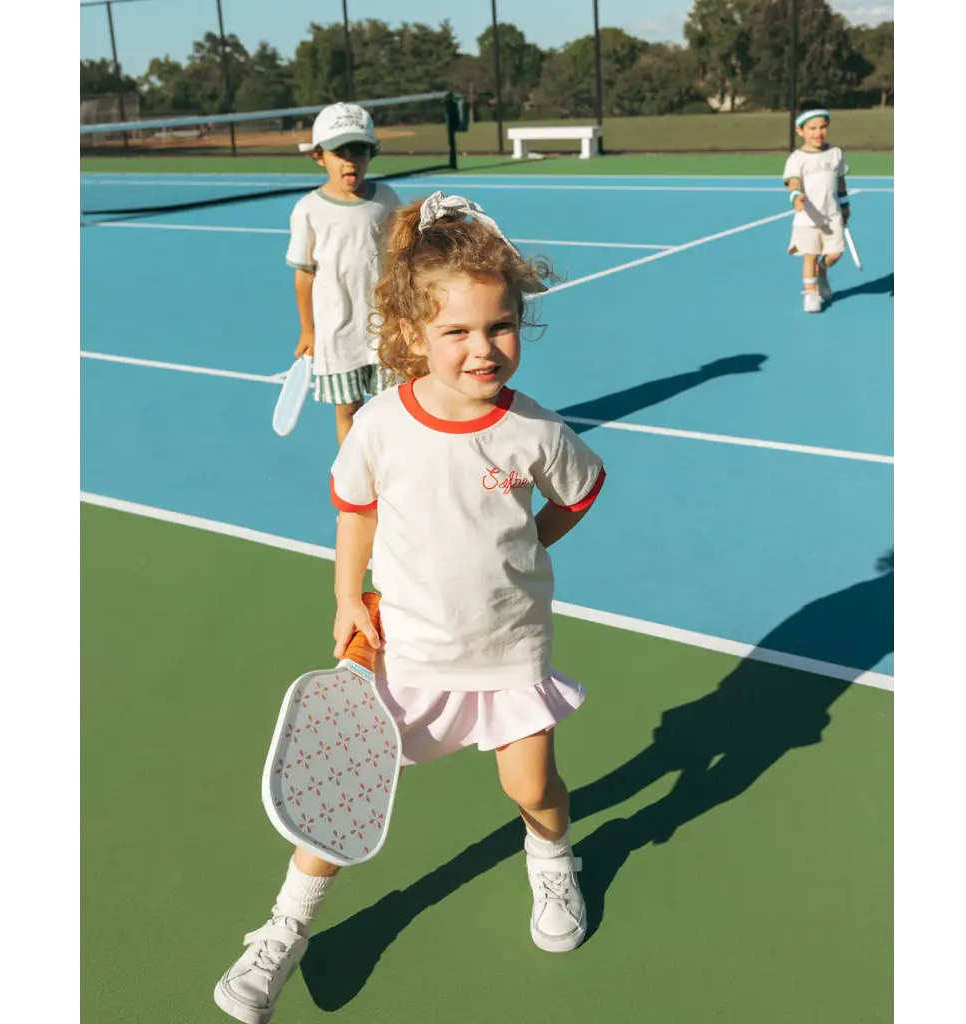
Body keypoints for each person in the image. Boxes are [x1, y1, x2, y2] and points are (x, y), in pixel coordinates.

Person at [214, 192, 606, 1023]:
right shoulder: (384, 425)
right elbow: (354, 507)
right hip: (403, 648)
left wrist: (532, 540)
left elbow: (581, 491)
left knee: (532, 787)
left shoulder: (534, 431)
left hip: (508, 649)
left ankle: (552, 859)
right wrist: (346, 593)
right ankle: (284, 930)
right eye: (456, 332)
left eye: (499, 327)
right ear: (411, 336)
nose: (482, 349)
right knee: (336, 796)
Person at [286, 102, 401, 445]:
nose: (351, 160)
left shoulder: (386, 199)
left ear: (371, 154)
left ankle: (390, 472)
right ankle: (353, 481)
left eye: (360, 150)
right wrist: (308, 330)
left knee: (389, 407)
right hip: (338, 335)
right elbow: (304, 275)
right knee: (348, 409)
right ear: (320, 157)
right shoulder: (308, 210)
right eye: (339, 151)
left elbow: (399, 259)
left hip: (384, 328)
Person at [783, 104, 851, 314]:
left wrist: (845, 205)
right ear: (800, 130)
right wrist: (796, 197)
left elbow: (840, 181)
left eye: (822, 127)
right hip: (808, 218)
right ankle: (811, 294)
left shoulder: (835, 153)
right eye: (812, 128)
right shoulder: (797, 158)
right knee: (810, 255)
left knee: (836, 253)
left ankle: (822, 270)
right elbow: (793, 181)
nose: (818, 132)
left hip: (832, 215)